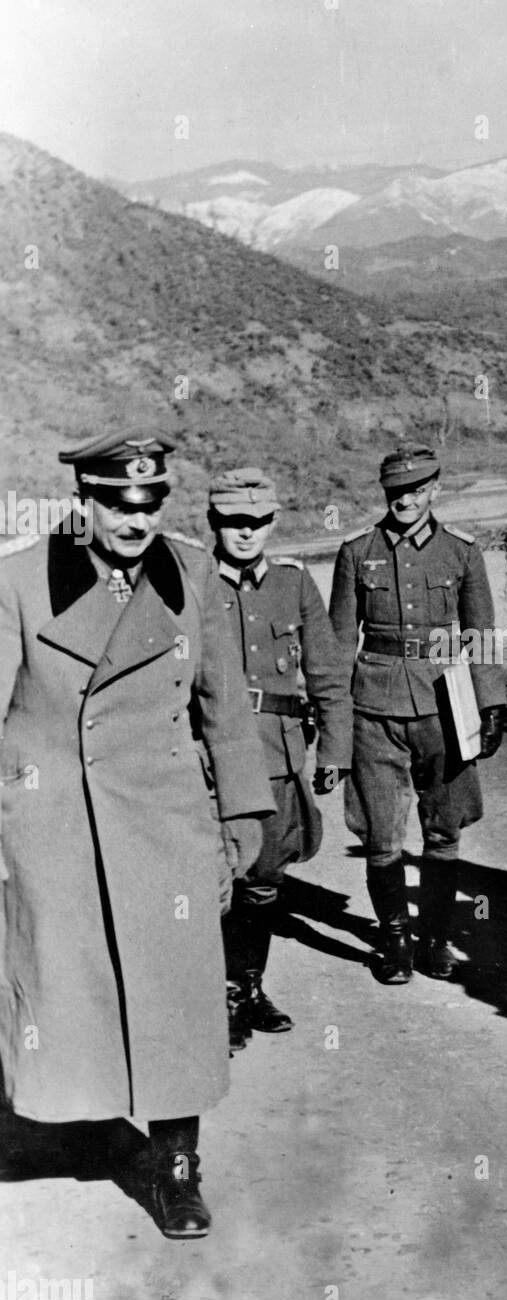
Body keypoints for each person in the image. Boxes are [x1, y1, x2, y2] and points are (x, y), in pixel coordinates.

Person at [0, 429, 274, 1239]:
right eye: (118, 503)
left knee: (180, 994)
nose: (135, 519)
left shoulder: (191, 575)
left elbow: (226, 709)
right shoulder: (17, 581)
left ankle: (178, 1167)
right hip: (57, 826)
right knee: (67, 992)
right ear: (84, 501)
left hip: (165, 823)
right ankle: (83, 1125)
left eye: (150, 502)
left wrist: (240, 820)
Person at [329, 443, 506, 985]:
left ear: (434, 489)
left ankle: (435, 940)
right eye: (395, 491)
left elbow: (481, 635)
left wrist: (491, 700)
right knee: (381, 834)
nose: (404, 499)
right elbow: (338, 645)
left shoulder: (461, 552)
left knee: (444, 830)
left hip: (443, 706)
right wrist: (333, 724)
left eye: (415, 489)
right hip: (374, 708)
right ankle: (395, 942)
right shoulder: (358, 551)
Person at [207, 468, 353, 1051]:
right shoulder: (191, 585)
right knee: (214, 881)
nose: (246, 532)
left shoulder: (293, 583)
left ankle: (248, 988)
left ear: (271, 523)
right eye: (234, 522)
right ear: (214, 522)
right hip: (209, 759)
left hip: (277, 755)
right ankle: (211, 1000)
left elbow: (327, 673)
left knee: (264, 881)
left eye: (257, 521)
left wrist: (335, 748)